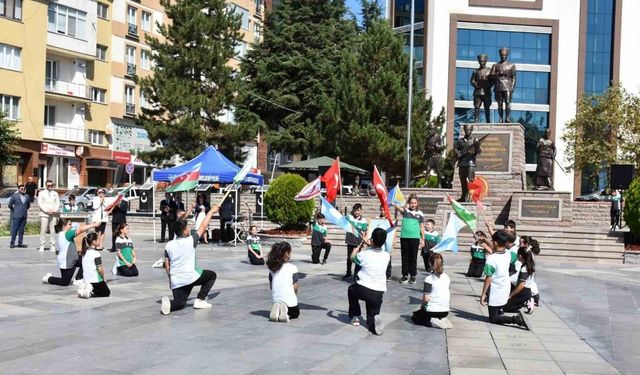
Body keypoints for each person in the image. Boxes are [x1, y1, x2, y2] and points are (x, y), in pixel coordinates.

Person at [160, 203, 219, 315]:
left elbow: (167, 265)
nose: (188, 229)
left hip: (176, 279)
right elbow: (203, 227)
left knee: (180, 303)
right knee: (211, 275)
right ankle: (200, 300)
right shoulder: (191, 241)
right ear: (184, 231)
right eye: (187, 228)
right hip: (190, 276)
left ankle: (169, 304)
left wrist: (171, 278)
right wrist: (211, 212)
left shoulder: (169, 245)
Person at [479, 230, 529, 329]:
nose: (492, 243)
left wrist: (483, 294)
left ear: (496, 242)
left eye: (492, 241)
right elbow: (512, 261)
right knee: (499, 308)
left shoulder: (491, 259)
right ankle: (501, 313)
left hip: (495, 290)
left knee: (493, 318)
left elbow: (488, 278)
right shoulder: (509, 254)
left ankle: (516, 319)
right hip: (506, 287)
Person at [347, 228, 390, 335]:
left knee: (351, 290)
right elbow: (377, 248)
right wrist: (371, 244)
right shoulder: (386, 256)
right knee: (372, 314)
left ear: (372, 240)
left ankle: (355, 317)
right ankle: (373, 323)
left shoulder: (364, 255)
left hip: (363, 289)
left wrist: (356, 250)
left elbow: (352, 258)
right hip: (378, 292)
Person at [42, 219, 98, 286]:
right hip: (67, 261)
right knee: (64, 282)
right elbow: (80, 230)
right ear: (63, 226)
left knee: (87, 260)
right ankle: (48, 278)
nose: (71, 225)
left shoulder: (64, 233)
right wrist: (94, 225)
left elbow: (76, 225)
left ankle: (78, 279)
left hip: (73, 259)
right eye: (69, 224)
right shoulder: (67, 234)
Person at [411, 253, 452, 329]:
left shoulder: (429, 279)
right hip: (445, 311)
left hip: (432, 310)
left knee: (415, 317)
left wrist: (422, 306)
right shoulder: (447, 277)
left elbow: (426, 299)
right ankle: (441, 319)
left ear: (430, 264)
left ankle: (432, 322)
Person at [393, 194, 425, 284]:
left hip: (415, 238)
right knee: (405, 257)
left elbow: (422, 227)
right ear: (409, 203)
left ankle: (413, 275)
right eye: (411, 203)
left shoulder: (420, 213)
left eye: (415, 203)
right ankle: (405, 275)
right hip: (404, 237)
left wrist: (423, 239)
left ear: (417, 203)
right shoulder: (405, 211)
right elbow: (397, 206)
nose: (413, 205)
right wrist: (398, 203)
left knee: (413, 257)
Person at [267, 242, 300, 322]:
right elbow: (295, 285)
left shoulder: (272, 269)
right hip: (290, 301)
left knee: (279, 300)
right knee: (296, 313)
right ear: (287, 254)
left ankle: (278, 308)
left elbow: (272, 286)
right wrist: (294, 295)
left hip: (276, 299)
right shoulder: (293, 268)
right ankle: (286, 311)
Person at [504, 246, 536, 314]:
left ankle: (526, 302)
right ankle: (524, 301)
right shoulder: (530, 265)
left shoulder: (524, 269)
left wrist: (510, 295)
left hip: (523, 292)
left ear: (520, 256)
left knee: (504, 308)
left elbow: (521, 286)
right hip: (526, 291)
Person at [78, 232, 111, 298]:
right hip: (95, 279)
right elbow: (100, 269)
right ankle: (90, 293)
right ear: (94, 242)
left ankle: (85, 288)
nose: (100, 240)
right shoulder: (96, 254)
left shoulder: (84, 252)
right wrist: (103, 278)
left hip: (86, 279)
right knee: (106, 292)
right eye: (98, 239)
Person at [343, 204, 368, 280]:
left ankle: (356, 273)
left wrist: (363, 242)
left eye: (358, 210)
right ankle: (348, 272)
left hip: (358, 243)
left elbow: (365, 232)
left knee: (358, 258)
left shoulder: (363, 221)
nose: (356, 212)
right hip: (350, 240)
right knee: (349, 258)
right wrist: (341, 213)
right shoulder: (349, 217)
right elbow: (341, 219)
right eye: (355, 210)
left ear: (361, 211)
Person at [38, 180, 60, 252]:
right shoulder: (41, 193)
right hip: (44, 214)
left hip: (53, 214)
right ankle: (42, 245)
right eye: (48, 185)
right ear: (46, 185)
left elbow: (57, 203)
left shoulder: (55, 193)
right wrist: (47, 210)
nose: (50, 186)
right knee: (43, 230)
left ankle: (52, 245)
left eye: (51, 185)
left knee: (53, 230)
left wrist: (54, 210)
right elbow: (40, 203)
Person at [8, 185, 30, 249]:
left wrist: (24, 210)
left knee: (21, 230)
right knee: (14, 230)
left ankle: (20, 243)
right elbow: (10, 205)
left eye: (24, 188)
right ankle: (12, 243)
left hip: (24, 215)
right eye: (22, 189)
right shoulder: (14, 196)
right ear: (19, 189)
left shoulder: (27, 196)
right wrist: (14, 210)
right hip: (16, 215)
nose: (23, 190)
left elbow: (28, 206)